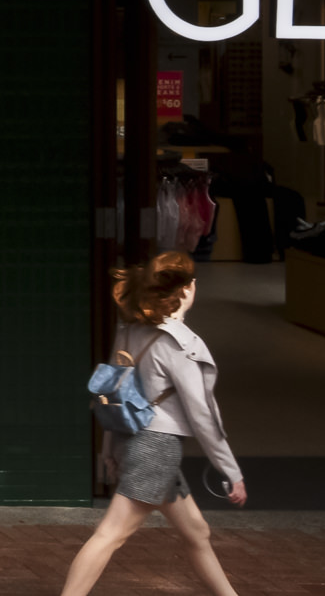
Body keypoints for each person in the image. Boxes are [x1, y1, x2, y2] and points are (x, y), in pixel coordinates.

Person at [57, 253, 245, 596]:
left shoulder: (130, 331)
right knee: (111, 534)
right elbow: (203, 415)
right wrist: (231, 471)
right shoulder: (182, 345)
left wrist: (109, 449)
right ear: (185, 290)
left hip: (136, 440)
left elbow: (113, 391)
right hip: (157, 448)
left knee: (196, 532)